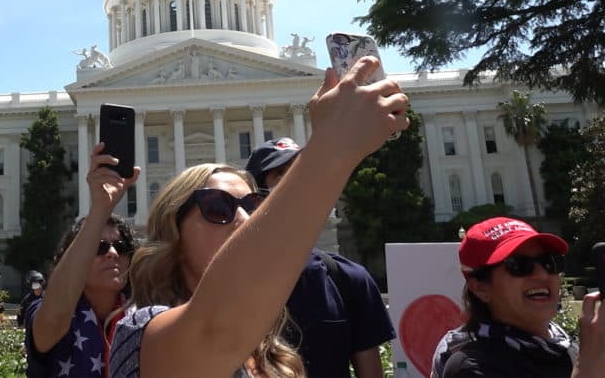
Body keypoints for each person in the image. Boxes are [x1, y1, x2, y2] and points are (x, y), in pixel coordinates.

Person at [108, 56, 411, 377]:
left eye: (255, 206)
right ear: (173, 231)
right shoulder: (141, 334)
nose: (244, 219)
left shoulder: (272, 349)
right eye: (217, 207)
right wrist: (333, 146)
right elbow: (214, 329)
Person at [245, 137, 394, 378]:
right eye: (281, 175)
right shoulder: (230, 286)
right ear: (255, 199)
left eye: (302, 173)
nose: (296, 183)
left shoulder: (349, 280)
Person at [433, 217, 605, 378]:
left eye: (549, 262)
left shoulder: (568, 348)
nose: (542, 274)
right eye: (519, 265)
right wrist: (587, 369)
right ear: (480, 288)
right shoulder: (470, 367)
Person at [25, 142, 139, 376]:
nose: (113, 253)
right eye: (98, 247)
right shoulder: (46, 309)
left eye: (121, 246)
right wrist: (100, 208)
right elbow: (52, 321)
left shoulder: (144, 315)